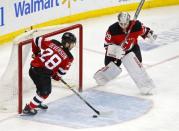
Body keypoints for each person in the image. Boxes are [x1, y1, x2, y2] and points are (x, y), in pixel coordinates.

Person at [94, 12, 157, 94]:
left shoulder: (136, 25)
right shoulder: (112, 29)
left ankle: (145, 86)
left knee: (136, 65)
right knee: (111, 66)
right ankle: (102, 77)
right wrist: (116, 50)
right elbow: (106, 45)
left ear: (129, 21)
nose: (123, 26)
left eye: (125, 24)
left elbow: (145, 31)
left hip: (132, 48)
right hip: (116, 50)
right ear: (118, 21)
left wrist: (150, 35)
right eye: (121, 24)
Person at [23, 32, 77, 115]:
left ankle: (37, 102)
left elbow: (36, 39)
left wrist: (37, 53)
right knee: (45, 92)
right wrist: (57, 76)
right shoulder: (69, 57)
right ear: (66, 44)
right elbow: (61, 73)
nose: (72, 46)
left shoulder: (53, 42)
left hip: (32, 69)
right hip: (42, 74)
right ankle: (29, 108)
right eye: (72, 44)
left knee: (41, 86)